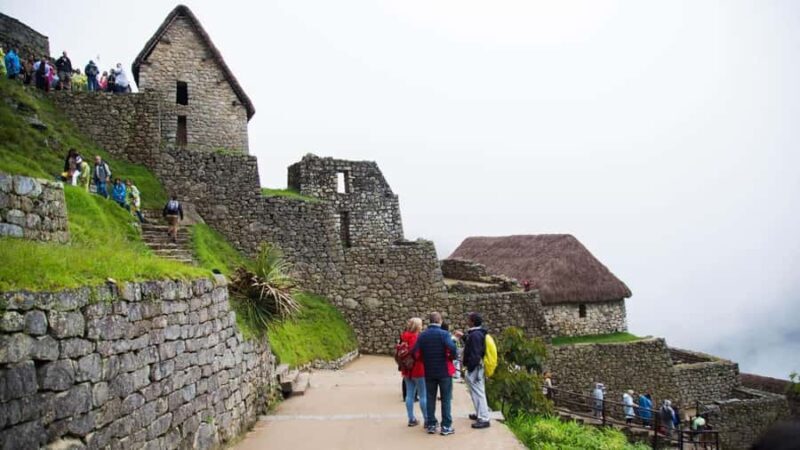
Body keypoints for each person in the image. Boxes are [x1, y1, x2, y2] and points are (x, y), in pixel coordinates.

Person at [411, 312, 457, 436]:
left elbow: (414, 352)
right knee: (445, 399)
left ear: (429, 321)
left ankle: (431, 424)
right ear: (439, 321)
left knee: (430, 398)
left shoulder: (422, 336)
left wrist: (422, 360)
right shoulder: (444, 334)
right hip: (444, 371)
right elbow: (452, 348)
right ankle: (446, 426)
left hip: (429, 371)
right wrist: (450, 357)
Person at [455, 312, 491, 429]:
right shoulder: (476, 334)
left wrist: (469, 368)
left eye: (469, 319)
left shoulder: (475, 335)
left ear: (473, 322)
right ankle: (479, 413)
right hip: (475, 367)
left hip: (475, 368)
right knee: (475, 391)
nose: (467, 320)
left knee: (479, 392)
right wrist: (464, 337)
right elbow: (472, 345)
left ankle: (484, 418)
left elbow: (475, 354)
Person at [399, 317, 427, 427]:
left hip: (407, 368)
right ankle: (427, 419)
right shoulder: (417, 337)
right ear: (417, 326)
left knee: (409, 395)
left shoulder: (404, 336)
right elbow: (419, 354)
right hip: (418, 368)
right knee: (423, 395)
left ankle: (411, 418)